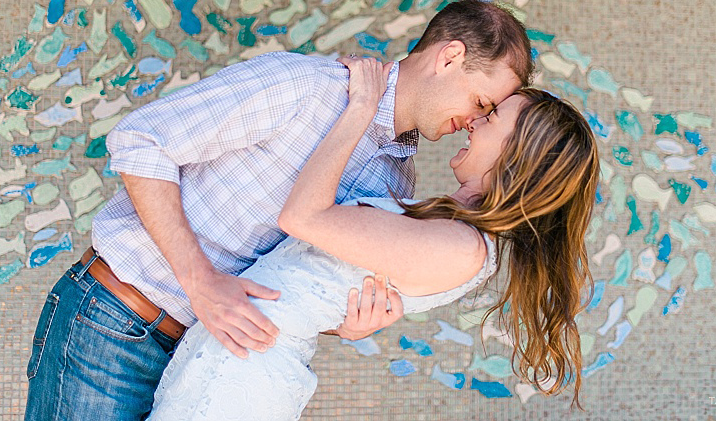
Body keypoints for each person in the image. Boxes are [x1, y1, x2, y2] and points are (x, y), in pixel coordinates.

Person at [24, 0, 534, 421]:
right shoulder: (307, 88)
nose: (476, 121)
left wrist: (347, 323)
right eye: (482, 102)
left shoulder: (396, 178)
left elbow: (293, 275)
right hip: (116, 325)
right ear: (448, 57)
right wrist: (200, 281)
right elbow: (141, 142)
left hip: (206, 355)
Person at [147, 56, 599, 420]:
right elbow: (317, 279)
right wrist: (344, 320)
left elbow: (302, 217)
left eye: (492, 116)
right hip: (238, 350)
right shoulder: (450, 229)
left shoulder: (463, 247)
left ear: (516, 156)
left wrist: (361, 108)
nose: (474, 123)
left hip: (246, 370)